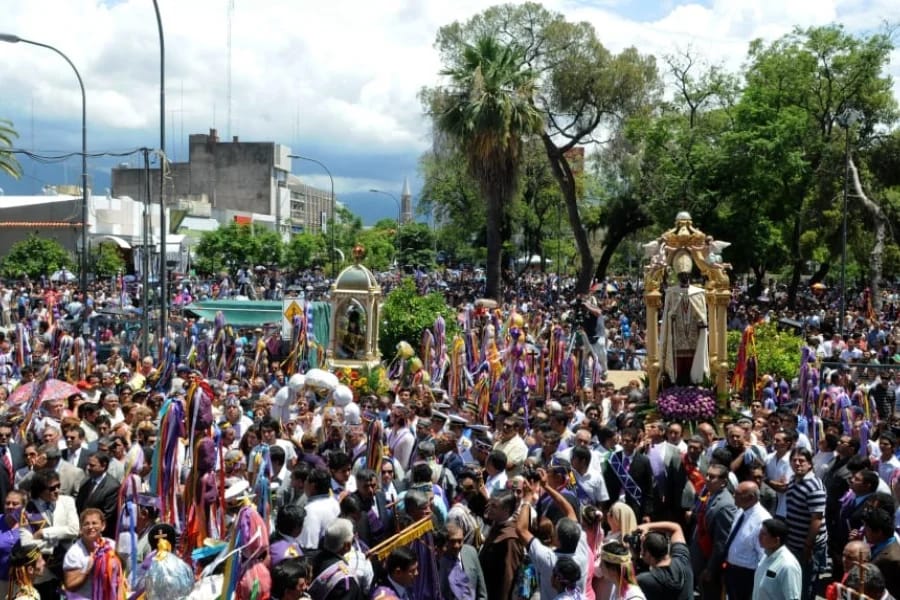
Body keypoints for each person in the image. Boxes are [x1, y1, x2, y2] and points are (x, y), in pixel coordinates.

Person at [659, 254, 709, 385]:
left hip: (693, 332)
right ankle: (676, 382)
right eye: (681, 275)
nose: (684, 278)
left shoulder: (698, 293)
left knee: (693, 360)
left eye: (686, 275)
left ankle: (695, 383)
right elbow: (667, 314)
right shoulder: (671, 292)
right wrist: (671, 317)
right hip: (677, 332)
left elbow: (702, 313)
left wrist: (701, 321)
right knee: (679, 363)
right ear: (678, 276)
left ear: (689, 276)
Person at [62, 508, 126, 600]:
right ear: (81, 528)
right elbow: (70, 585)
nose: (90, 527)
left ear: (103, 526)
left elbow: (122, 570)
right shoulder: (74, 553)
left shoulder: (112, 545)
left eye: (94, 523)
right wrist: (87, 570)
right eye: (86, 524)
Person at [633, 521, 692, 600]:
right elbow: (676, 528)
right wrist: (648, 526)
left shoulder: (644, 581)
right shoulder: (682, 560)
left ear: (648, 554)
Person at [752, 518, 801, 600]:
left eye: (764, 534)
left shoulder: (788, 566)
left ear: (776, 540)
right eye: (760, 532)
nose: (759, 536)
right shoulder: (765, 556)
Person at [437, 523, 487, 600]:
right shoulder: (438, 561)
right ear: (445, 541)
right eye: (452, 541)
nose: (456, 545)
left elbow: (481, 589)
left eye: (460, 541)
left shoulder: (471, 552)